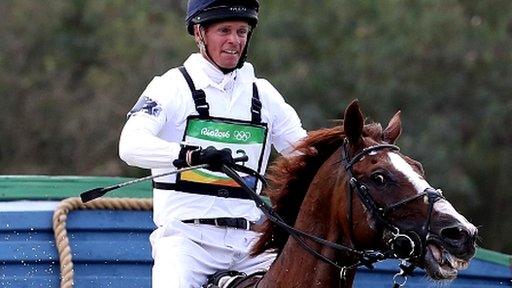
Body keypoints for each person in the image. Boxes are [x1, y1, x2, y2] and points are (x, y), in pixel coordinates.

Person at [118, 0, 307, 287]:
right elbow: (130, 145)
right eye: (224, 31)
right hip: (188, 245)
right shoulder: (171, 87)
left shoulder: (264, 94)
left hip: (251, 245)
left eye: (242, 32)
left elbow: (305, 153)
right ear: (199, 33)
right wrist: (189, 155)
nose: (234, 41)